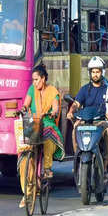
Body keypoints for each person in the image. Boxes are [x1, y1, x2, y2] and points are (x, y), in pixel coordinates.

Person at [18, 64, 65, 208]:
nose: (34, 82)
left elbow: (56, 107)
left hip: (47, 122)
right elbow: (26, 104)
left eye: (36, 79)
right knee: (24, 155)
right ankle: (27, 193)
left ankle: (47, 168)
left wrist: (53, 112)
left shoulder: (53, 91)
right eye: (33, 80)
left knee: (49, 133)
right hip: (33, 122)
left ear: (43, 79)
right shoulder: (32, 90)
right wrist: (23, 109)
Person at [67, 56, 108, 178]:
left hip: (100, 121)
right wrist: (71, 111)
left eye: (97, 72)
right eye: (93, 72)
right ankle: (78, 157)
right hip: (85, 120)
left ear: (102, 72)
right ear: (90, 73)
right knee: (75, 129)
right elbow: (76, 104)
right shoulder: (84, 89)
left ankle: (106, 163)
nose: (95, 74)